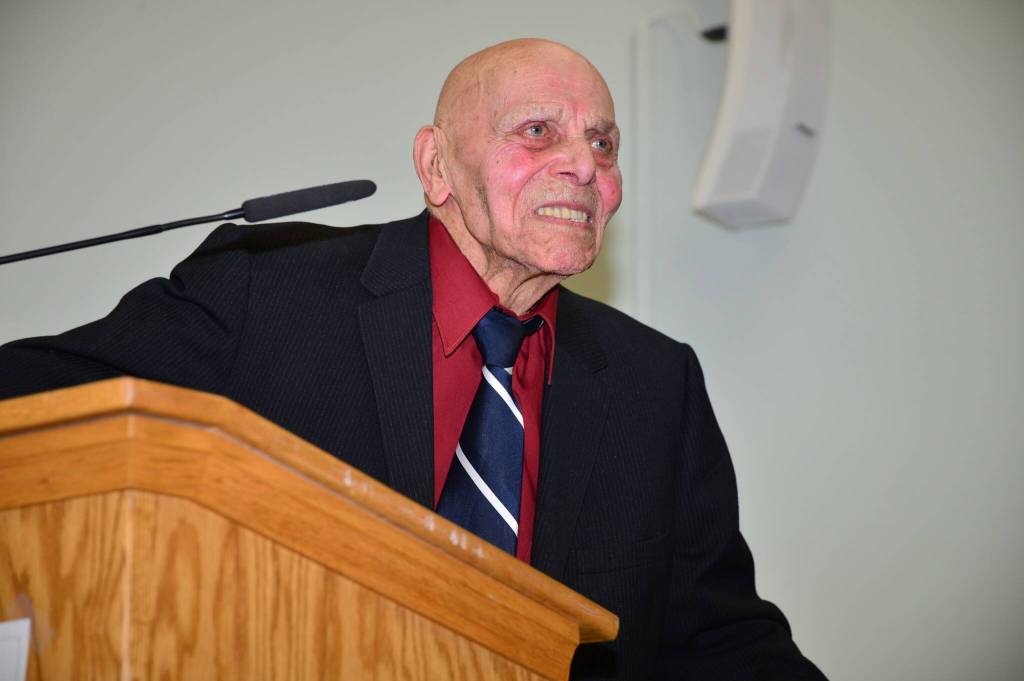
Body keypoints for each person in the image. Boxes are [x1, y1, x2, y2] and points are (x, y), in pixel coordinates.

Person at [0, 39, 827, 680]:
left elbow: (719, 642)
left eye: (603, 144)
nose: (584, 164)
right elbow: (36, 405)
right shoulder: (265, 297)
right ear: (436, 165)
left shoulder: (657, 385)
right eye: (538, 131)